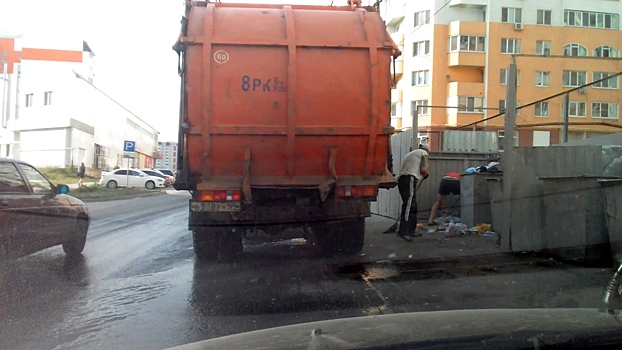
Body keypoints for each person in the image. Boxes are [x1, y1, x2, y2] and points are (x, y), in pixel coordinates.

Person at [396, 144, 429, 241]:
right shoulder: (424, 153)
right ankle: (403, 232)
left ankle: (411, 230)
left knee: (412, 204)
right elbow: (423, 169)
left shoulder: (411, 153)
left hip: (402, 179)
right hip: (409, 178)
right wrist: (425, 174)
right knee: (409, 205)